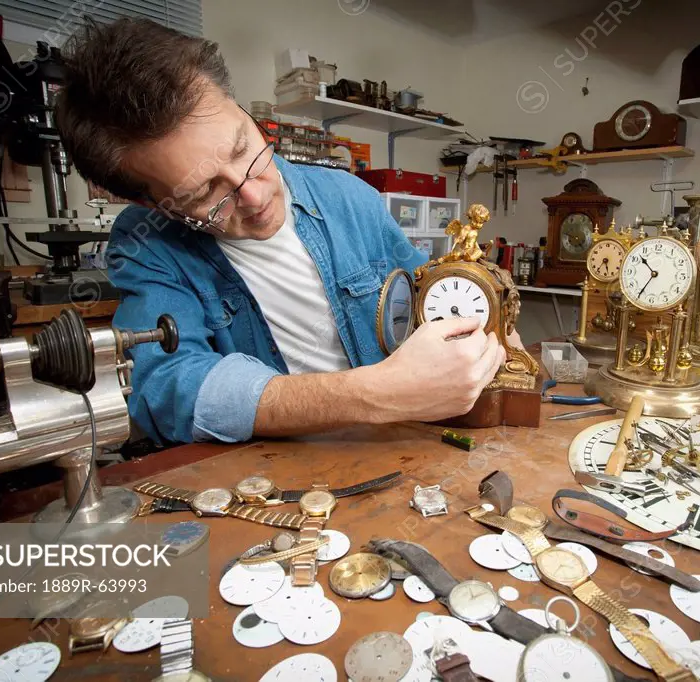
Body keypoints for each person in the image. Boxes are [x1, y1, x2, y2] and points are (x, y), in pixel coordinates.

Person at [54, 18, 507, 444]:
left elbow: (439, 295)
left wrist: (490, 335)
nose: (253, 195)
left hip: (397, 449)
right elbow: (166, 389)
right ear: (149, 202)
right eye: (205, 192)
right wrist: (373, 394)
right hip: (271, 479)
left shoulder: (350, 197)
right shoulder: (146, 243)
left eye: (243, 147)